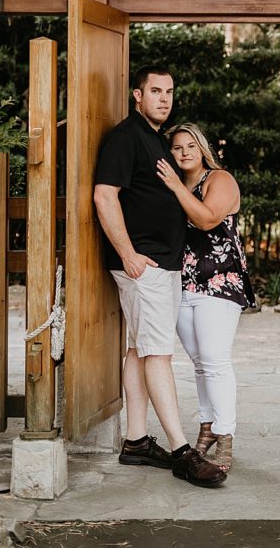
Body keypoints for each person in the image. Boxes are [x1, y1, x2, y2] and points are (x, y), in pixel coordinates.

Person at [93, 65, 227, 488]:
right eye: (155, 91)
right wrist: (128, 253)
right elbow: (104, 194)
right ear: (137, 95)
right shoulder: (125, 137)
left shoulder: (155, 140)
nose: (164, 98)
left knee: (139, 349)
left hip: (161, 265)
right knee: (158, 354)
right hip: (143, 265)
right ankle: (182, 450)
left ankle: (135, 441)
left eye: (169, 91)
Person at [156, 122, 255, 473]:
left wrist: (173, 187)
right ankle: (207, 426)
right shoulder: (174, 185)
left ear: (202, 149)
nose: (184, 153)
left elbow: (208, 220)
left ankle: (225, 435)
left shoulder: (219, 180)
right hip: (183, 283)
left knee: (215, 360)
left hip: (220, 282)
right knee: (199, 363)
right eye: (177, 148)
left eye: (190, 147)